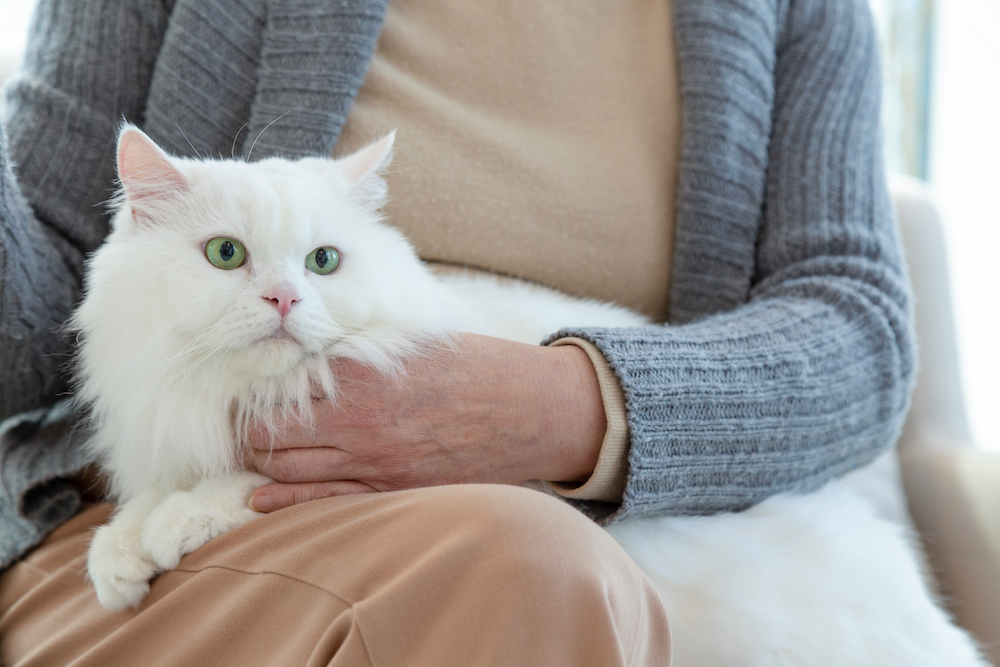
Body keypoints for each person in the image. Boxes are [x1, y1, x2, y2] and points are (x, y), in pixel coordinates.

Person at [0, 0, 914, 665]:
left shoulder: (801, 16)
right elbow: (28, 334)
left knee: (538, 562)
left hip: (629, 528)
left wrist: (567, 408)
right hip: (153, 528)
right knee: (527, 566)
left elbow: (858, 329)